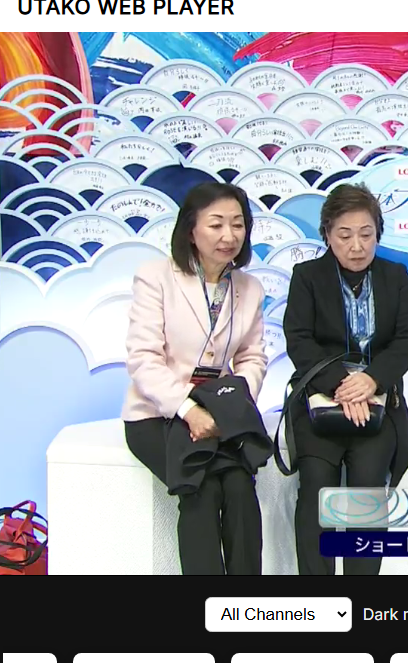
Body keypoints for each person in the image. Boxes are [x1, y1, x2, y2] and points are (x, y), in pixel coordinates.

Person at [121, 182, 268, 575]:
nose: (229, 235)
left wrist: (233, 405)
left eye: (238, 224)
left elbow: (252, 357)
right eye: (216, 224)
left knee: (240, 488)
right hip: (159, 415)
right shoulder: (155, 277)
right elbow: (144, 359)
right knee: (200, 487)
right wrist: (188, 409)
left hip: (219, 414)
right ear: (190, 230)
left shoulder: (249, 288)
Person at [283, 182, 408, 575]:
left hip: (377, 403)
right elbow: (299, 339)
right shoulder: (307, 276)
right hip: (321, 401)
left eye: (366, 234)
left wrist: (372, 381)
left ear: (378, 233)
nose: (356, 246)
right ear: (327, 234)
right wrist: (344, 387)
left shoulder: (395, 276)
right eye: (344, 235)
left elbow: (407, 339)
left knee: (367, 489)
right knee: (316, 489)